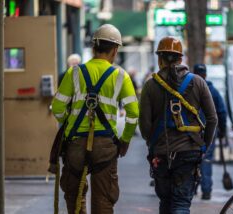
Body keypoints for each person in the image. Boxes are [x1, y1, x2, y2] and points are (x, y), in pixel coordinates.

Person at [51, 24, 139, 214]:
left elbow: (57, 107)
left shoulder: (74, 72)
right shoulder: (121, 76)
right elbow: (133, 114)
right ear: (115, 50)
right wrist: (125, 140)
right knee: (103, 199)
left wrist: (70, 123)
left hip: (75, 143)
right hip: (105, 146)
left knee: (75, 197)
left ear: (93, 47)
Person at [139, 36, 218, 213]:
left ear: (159, 58)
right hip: (189, 152)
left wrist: (152, 143)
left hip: (161, 152)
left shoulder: (150, 86)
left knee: (165, 202)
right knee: (181, 203)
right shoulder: (198, 82)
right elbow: (212, 118)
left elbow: (144, 124)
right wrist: (204, 145)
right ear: (181, 58)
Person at [193, 64, 227, 200]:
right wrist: (222, 130)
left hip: (192, 132)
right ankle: (206, 191)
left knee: (192, 158)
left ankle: (192, 187)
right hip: (209, 132)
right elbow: (222, 112)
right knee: (206, 159)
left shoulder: (189, 89)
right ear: (206, 75)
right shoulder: (213, 91)